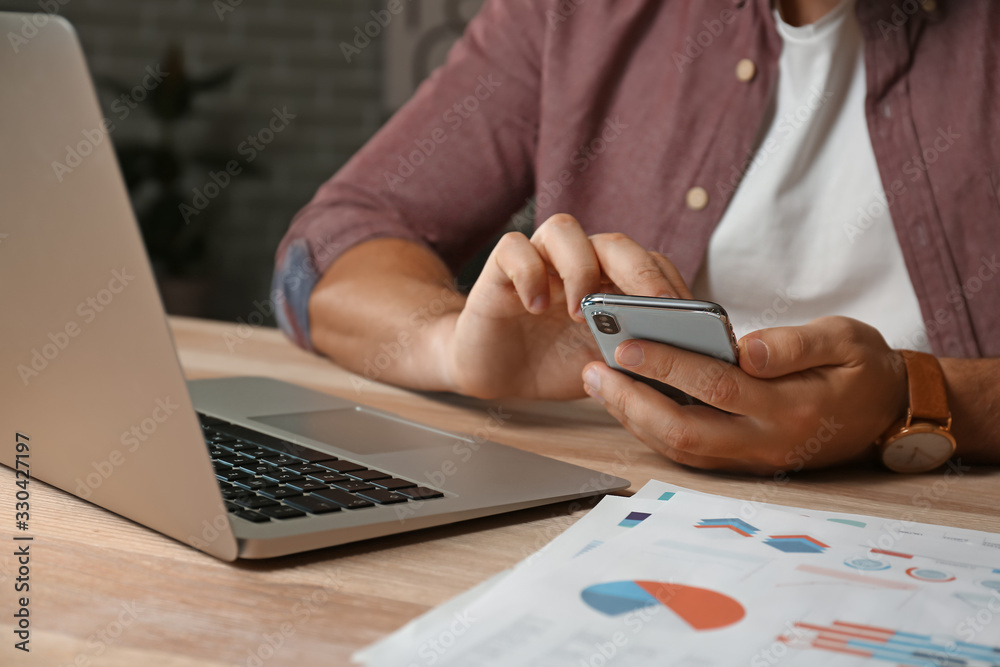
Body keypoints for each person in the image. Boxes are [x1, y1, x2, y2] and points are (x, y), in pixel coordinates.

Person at [273, 0, 999, 474]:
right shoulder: (577, 15)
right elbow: (332, 246)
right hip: (636, 528)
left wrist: (916, 398)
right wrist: (452, 345)